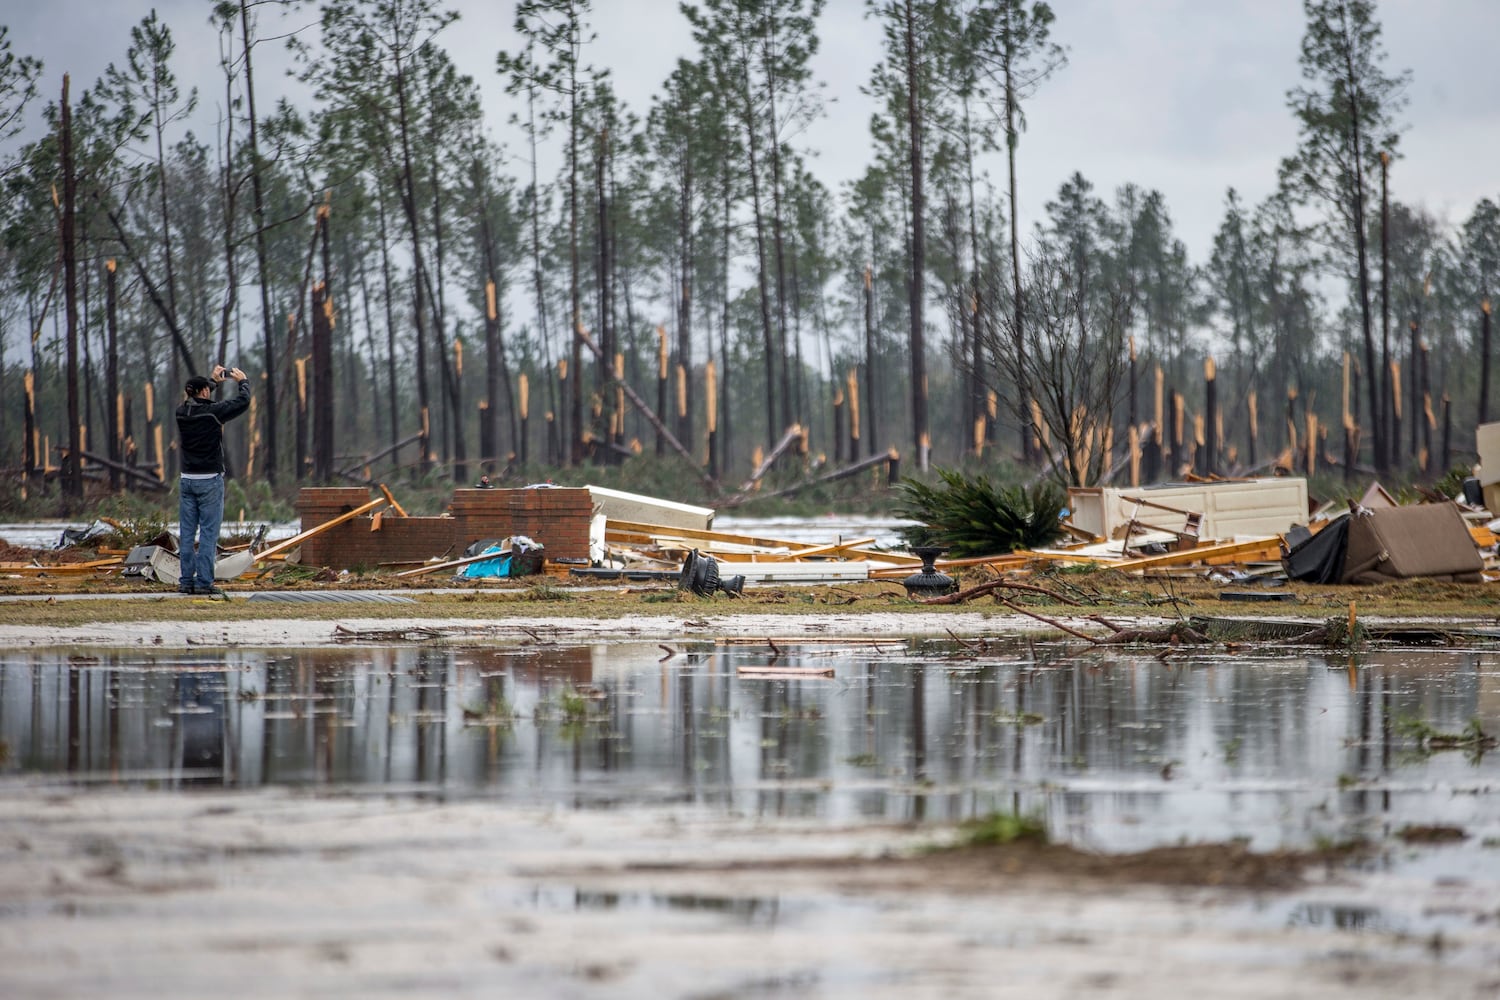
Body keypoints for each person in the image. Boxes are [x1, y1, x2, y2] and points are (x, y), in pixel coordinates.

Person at [175, 365, 251, 596]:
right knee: (208, 533)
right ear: (205, 392)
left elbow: (200, 404)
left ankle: (186, 581)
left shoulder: (181, 412)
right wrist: (243, 382)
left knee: (187, 534)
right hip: (209, 480)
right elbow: (242, 403)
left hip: (187, 479)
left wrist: (212, 382)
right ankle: (204, 582)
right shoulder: (214, 413)